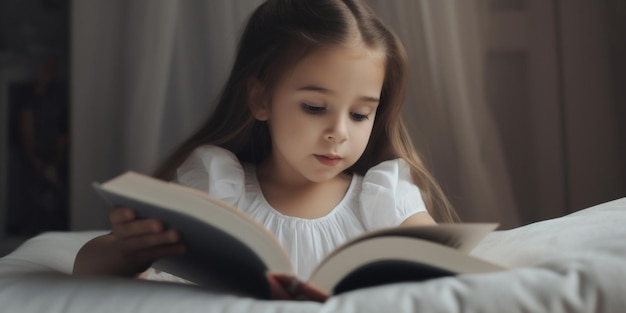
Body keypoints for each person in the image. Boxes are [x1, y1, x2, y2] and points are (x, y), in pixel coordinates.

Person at [72, 0, 459, 301]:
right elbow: (89, 268)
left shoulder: (382, 195)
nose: (338, 132)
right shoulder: (220, 185)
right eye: (314, 107)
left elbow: (441, 261)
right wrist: (127, 251)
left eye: (360, 114)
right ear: (261, 99)